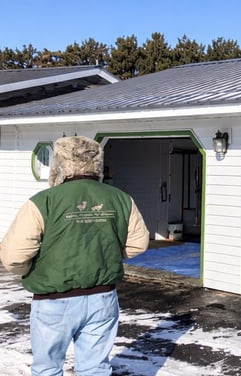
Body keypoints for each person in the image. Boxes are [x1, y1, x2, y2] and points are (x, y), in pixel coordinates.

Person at [0, 135, 150, 376]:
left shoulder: (43, 201)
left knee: (47, 369)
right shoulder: (121, 198)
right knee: (95, 369)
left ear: (59, 163)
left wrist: (29, 270)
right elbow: (138, 243)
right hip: (103, 298)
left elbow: (14, 255)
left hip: (53, 299)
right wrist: (105, 254)